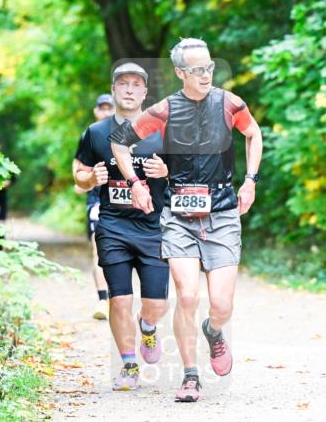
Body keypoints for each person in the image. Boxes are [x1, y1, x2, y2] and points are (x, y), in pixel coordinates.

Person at [110, 39, 263, 403]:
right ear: (180, 73)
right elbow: (119, 143)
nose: (206, 74)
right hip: (178, 216)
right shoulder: (164, 110)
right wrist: (136, 184)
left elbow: (253, 134)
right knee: (188, 295)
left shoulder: (230, 103)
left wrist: (250, 181)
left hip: (222, 213)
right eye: (196, 69)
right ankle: (191, 376)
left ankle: (214, 331)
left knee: (221, 304)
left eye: (209, 67)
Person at [74, 63, 170, 391]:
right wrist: (90, 177)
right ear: (114, 91)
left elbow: (186, 172)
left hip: (153, 226)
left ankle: (148, 327)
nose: (129, 90)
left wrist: (165, 172)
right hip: (113, 225)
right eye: (123, 84)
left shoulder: (161, 130)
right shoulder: (96, 132)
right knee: (119, 299)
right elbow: (79, 172)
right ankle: (129, 363)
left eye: (136, 85)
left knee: (156, 304)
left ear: (145, 93)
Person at [74, 94, 116, 320]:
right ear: (96, 111)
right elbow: (78, 164)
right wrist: (82, 180)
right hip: (98, 201)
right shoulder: (89, 135)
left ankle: (121, 299)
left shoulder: (130, 132)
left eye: (111, 108)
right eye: (103, 108)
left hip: (125, 203)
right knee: (98, 250)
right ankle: (103, 300)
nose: (106, 112)